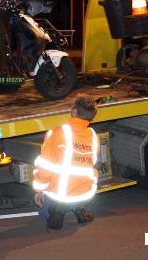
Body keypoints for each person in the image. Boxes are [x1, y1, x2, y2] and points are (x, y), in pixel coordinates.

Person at [33, 96, 101, 230]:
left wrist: (39, 191)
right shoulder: (94, 136)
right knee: (73, 182)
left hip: (62, 195)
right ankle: (78, 208)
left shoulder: (56, 133)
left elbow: (45, 167)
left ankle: (59, 209)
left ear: (74, 111)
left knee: (44, 213)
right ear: (92, 117)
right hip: (86, 193)